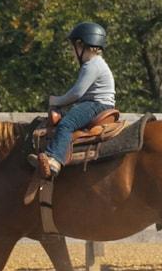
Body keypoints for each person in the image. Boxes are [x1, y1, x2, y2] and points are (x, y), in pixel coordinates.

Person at [33, 21, 116, 178]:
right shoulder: (96, 63)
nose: (72, 52)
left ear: (81, 45)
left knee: (66, 124)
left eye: (73, 47)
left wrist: (56, 101)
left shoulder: (92, 65)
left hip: (96, 104)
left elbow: (76, 94)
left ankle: (54, 160)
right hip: (97, 103)